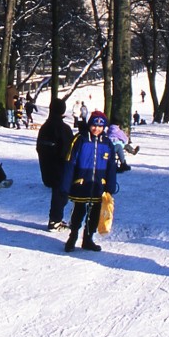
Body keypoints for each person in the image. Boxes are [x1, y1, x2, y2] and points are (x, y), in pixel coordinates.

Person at [60, 111, 117, 252]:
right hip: (81, 182)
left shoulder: (107, 143)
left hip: (99, 184)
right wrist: (66, 183)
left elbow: (111, 166)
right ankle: (72, 236)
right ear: (89, 125)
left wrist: (110, 185)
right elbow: (70, 162)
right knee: (79, 211)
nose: (96, 129)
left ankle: (88, 238)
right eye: (94, 125)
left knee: (95, 213)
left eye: (100, 126)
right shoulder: (80, 139)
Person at [37, 99, 75, 231]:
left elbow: (39, 147)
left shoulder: (44, 127)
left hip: (46, 165)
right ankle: (55, 220)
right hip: (60, 167)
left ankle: (55, 219)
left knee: (57, 192)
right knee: (60, 193)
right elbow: (69, 150)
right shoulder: (63, 129)